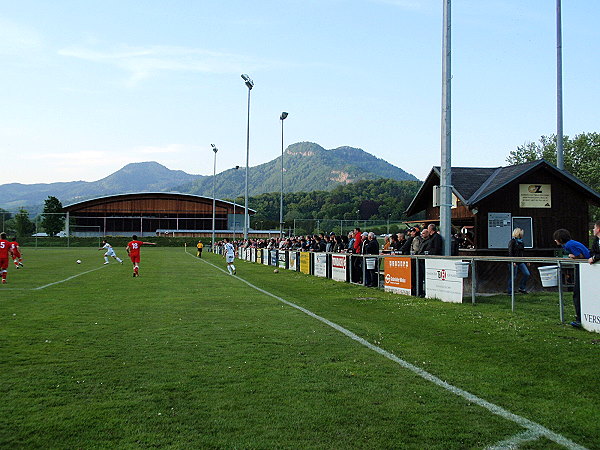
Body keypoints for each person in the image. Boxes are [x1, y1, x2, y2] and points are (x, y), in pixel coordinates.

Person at [553, 228, 591, 328]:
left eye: (556, 239)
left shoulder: (569, 245)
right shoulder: (570, 243)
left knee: (577, 294)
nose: (555, 241)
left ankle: (579, 319)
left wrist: (573, 257)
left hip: (584, 267)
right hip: (584, 267)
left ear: (560, 239)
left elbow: (582, 256)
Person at [507, 228, 530, 294]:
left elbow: (522, 253)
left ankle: (522, 288)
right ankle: (510, 291)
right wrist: (513, 261)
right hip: (513, 261)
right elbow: (510, 252)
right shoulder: (512, 241)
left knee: (527, 273)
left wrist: (526, 260)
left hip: (520, 261)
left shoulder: (521, 242)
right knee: (513, 276)